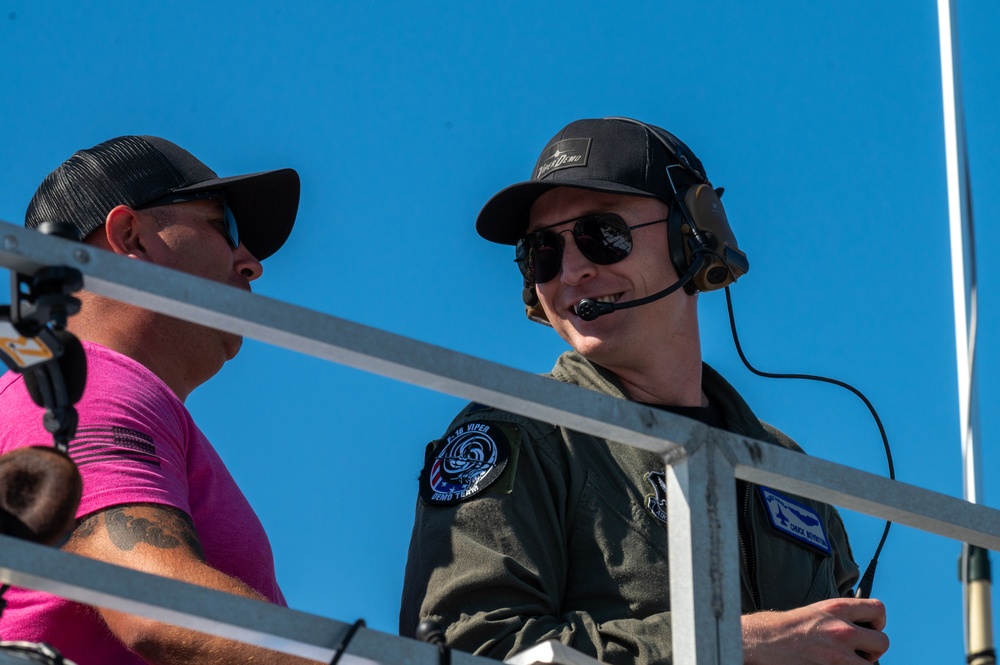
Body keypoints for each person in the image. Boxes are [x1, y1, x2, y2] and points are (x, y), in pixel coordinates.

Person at [400, 117, 889, 664]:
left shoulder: (788, 470)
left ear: (693, 236)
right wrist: (732, 645)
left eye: (601, 234)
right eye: (542, 252)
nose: (573, 270)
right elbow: (464, 647)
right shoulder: (520, 432)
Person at [0, 135, 319, 664]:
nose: (251, 264)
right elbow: (160, 612)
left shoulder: (99, 392)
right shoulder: (90, 389)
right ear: (131, 235)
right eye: (224, 228)